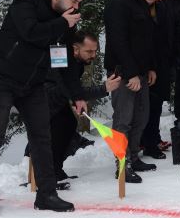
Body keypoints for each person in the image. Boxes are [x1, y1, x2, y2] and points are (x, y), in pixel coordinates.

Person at [0, 0, 85, 218]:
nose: (76, 7)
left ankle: (46, 194)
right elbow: (30, 32)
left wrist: (76, 95)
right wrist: (61, 24)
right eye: (73, 0)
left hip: (33, 84)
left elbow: (64, 61)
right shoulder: (27, 0)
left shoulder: (65, 21)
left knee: (42, 137)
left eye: (79, 3)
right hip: (1, 79)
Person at [43, 31, 122, 184]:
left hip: (58, 99)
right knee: (57, 129)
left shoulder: (77, 62)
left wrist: (75, 100)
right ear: (75, 49)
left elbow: (73, 90)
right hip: (44, 99)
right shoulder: (60, 54)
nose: (93, 55)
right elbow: (67, 89)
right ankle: (47, 175)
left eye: (95, 51)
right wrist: (104, 88)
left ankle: (56, 170)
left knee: (68, 124)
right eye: (89, 51)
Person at [104, 0, 158, 183]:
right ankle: (122, 164)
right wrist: (132, 73)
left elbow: (146, 39)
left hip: (141, 72)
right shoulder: (117, 3)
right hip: (124, 73)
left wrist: (150, 67)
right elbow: (119, 41)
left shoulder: (140, 3)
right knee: (123, 120)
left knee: (141, 117)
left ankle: (134, 157)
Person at [139, 0, 172, 159]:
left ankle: (152, 142)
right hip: (143, 67)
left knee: (155, 107)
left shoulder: (161, 10)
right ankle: (142, 142)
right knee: (143, 108)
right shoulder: (136, 10)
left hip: (161, 66)